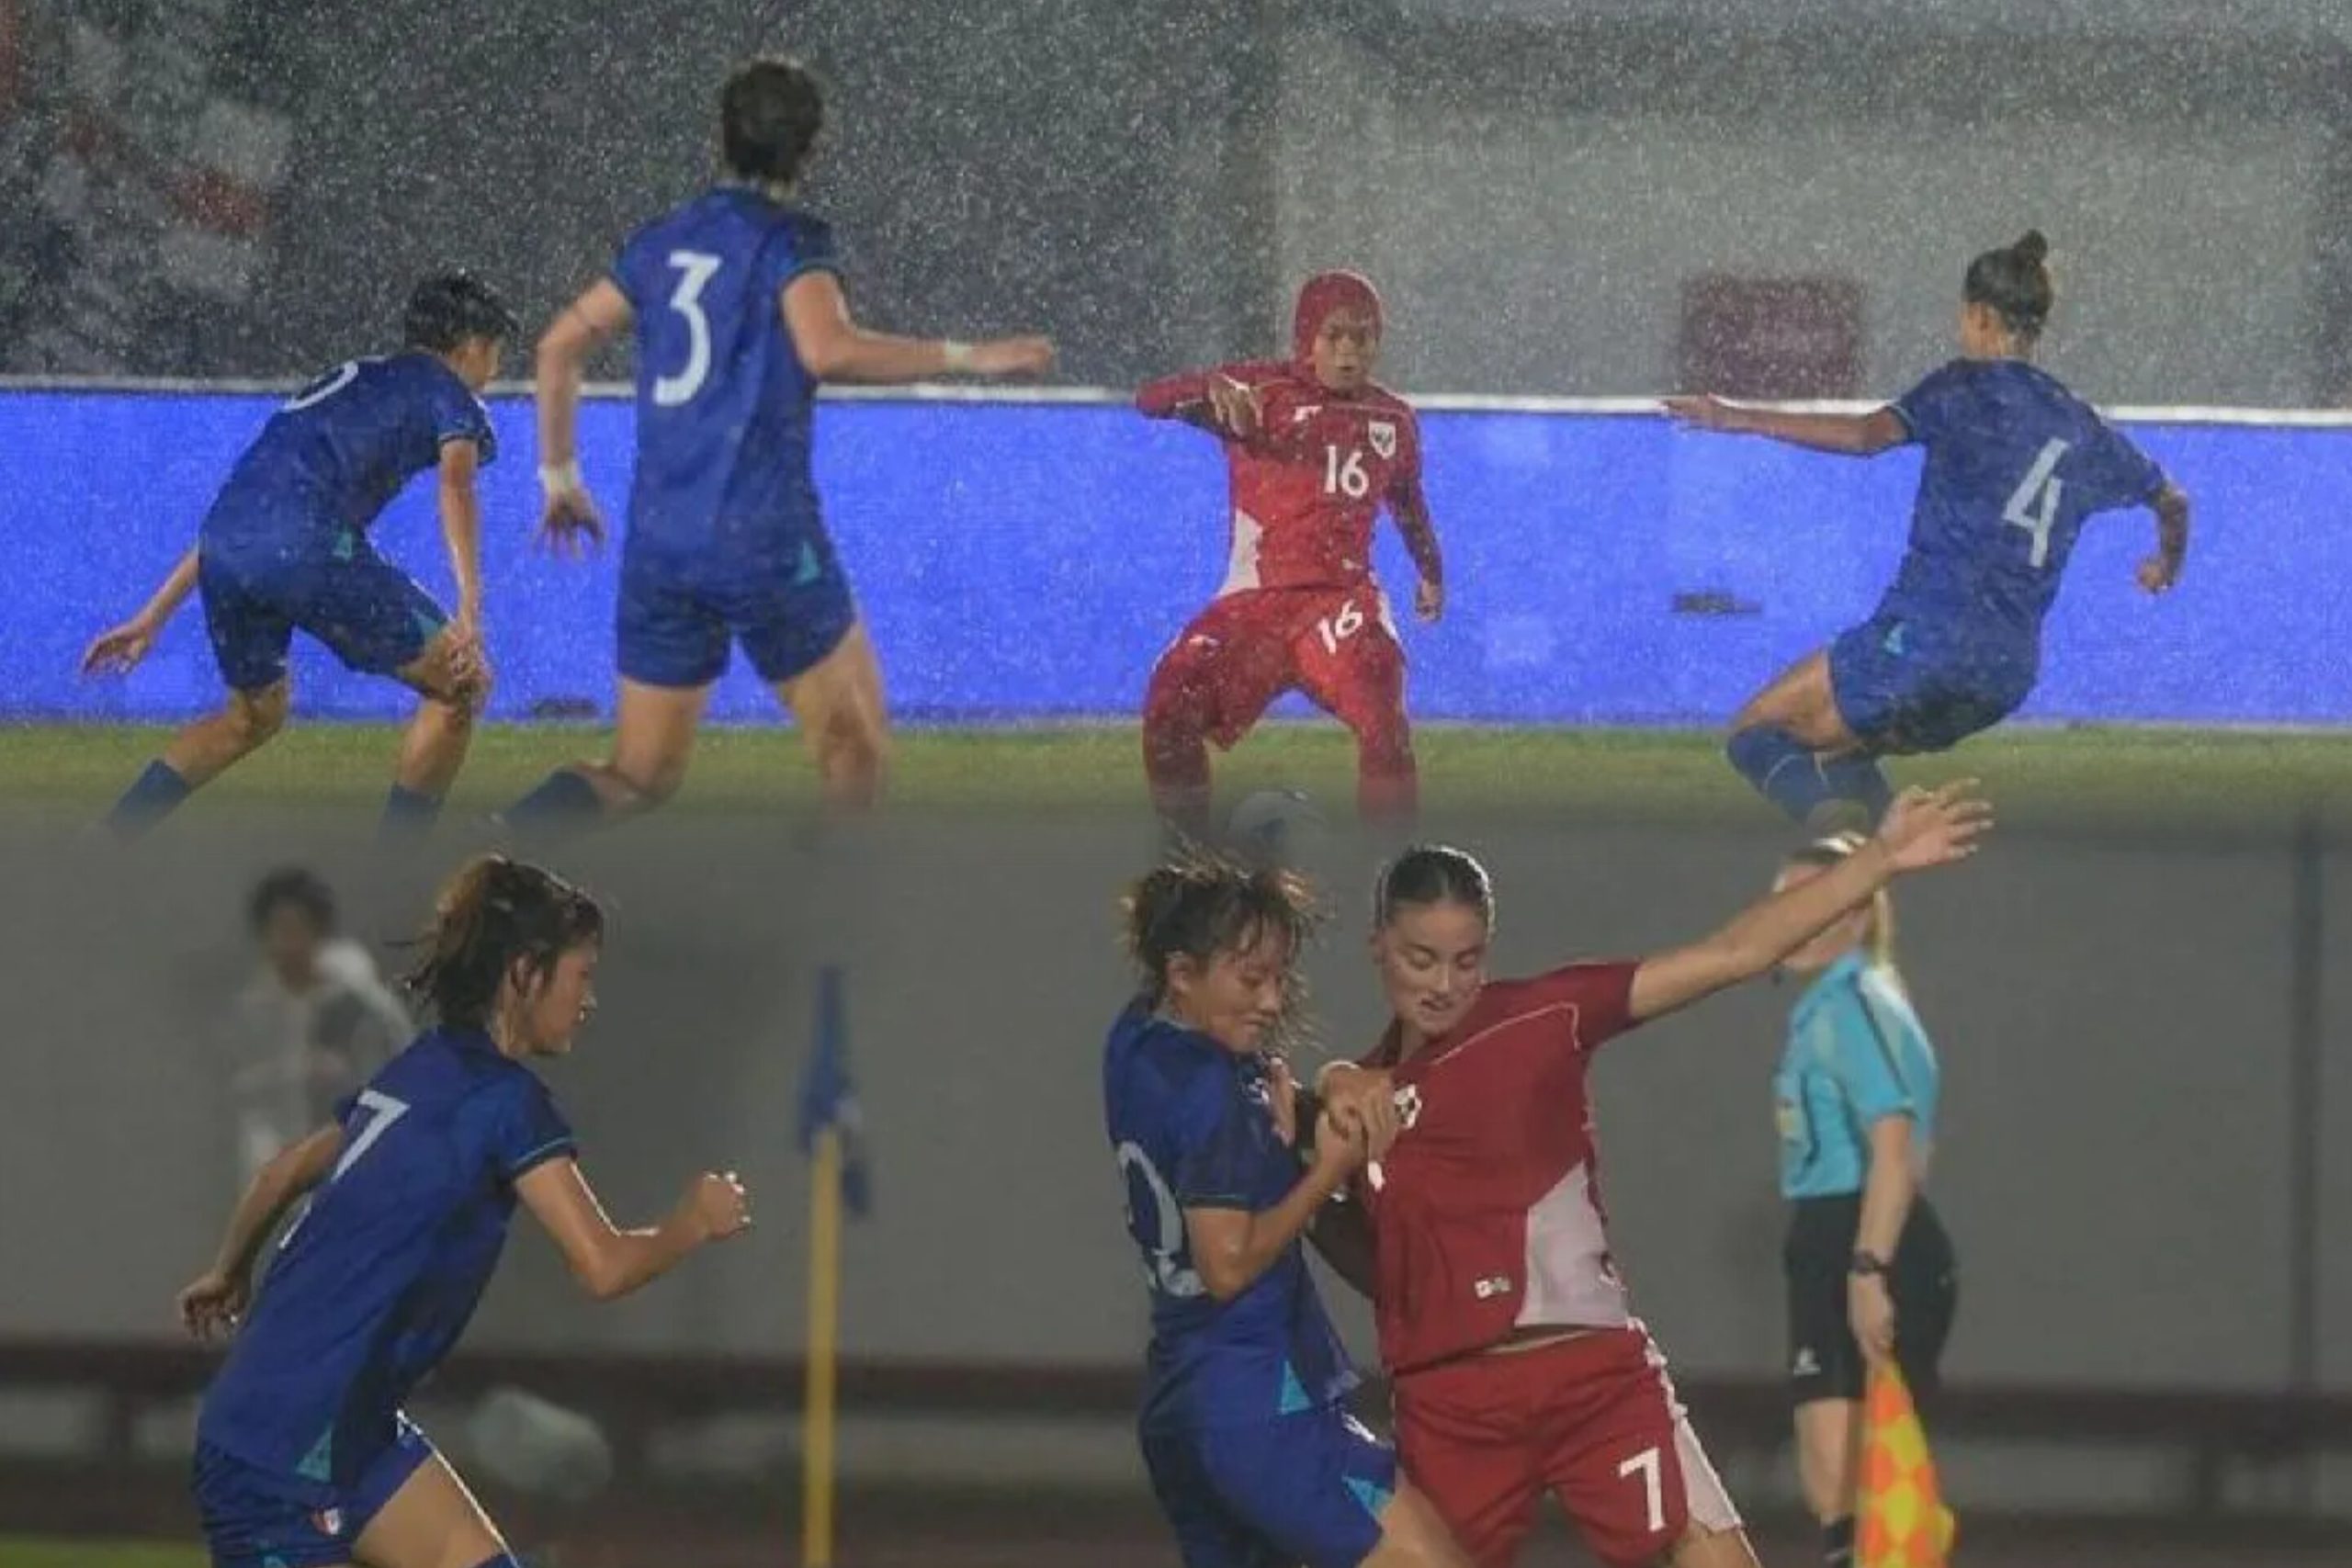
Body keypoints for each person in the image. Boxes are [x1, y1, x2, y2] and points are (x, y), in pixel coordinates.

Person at [1316, 783, 1991, 1568]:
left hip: (1592, 1380)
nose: (1443, 983)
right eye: (1419, 958)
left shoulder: (1545, 1017)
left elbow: (1733, 952)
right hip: (1451, 1407)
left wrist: (1880, 859)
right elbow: (1350, 1246)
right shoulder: (1352, 1104)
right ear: (1377, 948)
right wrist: (1329, 1087)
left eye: (1466, 960)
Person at [501, 55, 1054, 837]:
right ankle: (825, 945)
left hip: (664, 543)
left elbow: (558, 347)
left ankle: (487, 861)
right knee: (856, 756)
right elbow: (827, 349)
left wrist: (559, 476)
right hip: (760, 534)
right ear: (811, 149)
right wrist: (971, 356)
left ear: (721, 137)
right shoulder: (789, 241)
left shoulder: (663, 241)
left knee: (638, 774)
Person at [178, 855, 752, 1568]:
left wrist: (226, 1271)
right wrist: (693, 1221)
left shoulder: (429, 1064)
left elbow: (283, 1170)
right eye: (581, 974)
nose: (589, 999)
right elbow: (603, 1267)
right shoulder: (505, 1104)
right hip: (278, 1455)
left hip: (349, 1429)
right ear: (524, 973)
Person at [1664, 232, 2192, 829]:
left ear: (1981, 315)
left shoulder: (1962, 387)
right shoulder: (2083, 428)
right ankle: (1883, 856)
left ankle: (1836, 857)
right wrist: (2165, 564)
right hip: (2005, 674)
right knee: (1843, 756)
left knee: (1756, 734)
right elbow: (2173, 499)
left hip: (1926, 641)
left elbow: (1865, 437)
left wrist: (1736, 416)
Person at [1104, 853, 1469, 1568]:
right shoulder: (1214, 1093)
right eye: (1250, 978)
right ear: (1182, 972)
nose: (1271, 1002)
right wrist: (1326, 1169)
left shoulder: (1134, 1041)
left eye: (1278, 977)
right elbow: (1226, 1263)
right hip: (1262, 1402)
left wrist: (1296, 1094)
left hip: (1182, 1399)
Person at [84, 273, 514, 841]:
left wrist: (153, 615)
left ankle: (108, 837)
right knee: (464, 684)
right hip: (308, 548)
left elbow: (244, 518)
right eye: (496, 353)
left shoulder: (348, 380)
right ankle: (394, 871)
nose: (496, 371)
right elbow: (456, 488)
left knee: (250, 718)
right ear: (470, 348)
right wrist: (469, 608)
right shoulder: (450, 393)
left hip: (227, 548)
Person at [1136, 270, 1443, 838]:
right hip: (1256, 605)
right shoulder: (1262, 390)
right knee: (1168, 706)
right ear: (1307, 336)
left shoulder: (1394, 419)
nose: (1349, 353)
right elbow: (1148, 400)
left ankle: (1394, 873)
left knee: (1383, 717)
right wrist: (1204, 390)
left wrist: (1430, 569)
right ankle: (1189, 860)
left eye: (1363, 337)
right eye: (1335, 337)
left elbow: (1405, 498)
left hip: (1339, 603)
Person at [1768, 832, 1957, 1568]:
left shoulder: (1855, 1002)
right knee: (1832, 1474)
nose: (1786, 918)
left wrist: (1869, 1265)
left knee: (1863, 1474)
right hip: (1829, 1231)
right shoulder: (1827, 1007)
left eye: (1809, 902)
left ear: (1853, 915)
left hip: (1859, 1234)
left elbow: (1897, 1138)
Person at [224, 868, 413, 1186]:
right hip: (276, 1164)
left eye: (297, 929)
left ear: (319, 934)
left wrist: (347, 1077)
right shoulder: (253, 1009)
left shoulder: (358, 1004)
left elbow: (402, 1068)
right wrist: (290, 1073)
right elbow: (237, 1085)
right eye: (278, 930)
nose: (288, 943)